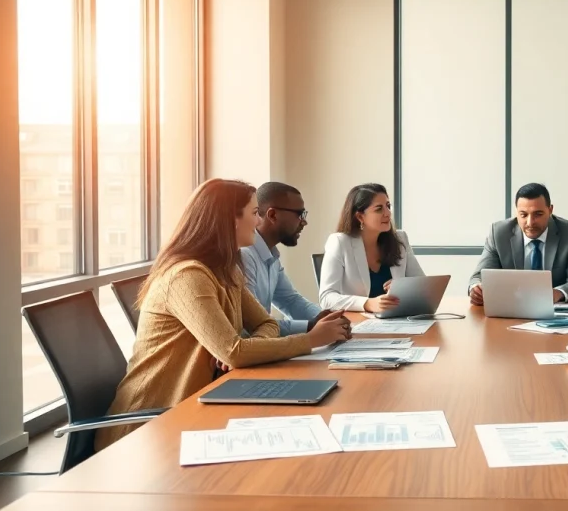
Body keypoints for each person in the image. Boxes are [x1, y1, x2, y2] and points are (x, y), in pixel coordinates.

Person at [96, 179, 351, 451]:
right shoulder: (187, 276)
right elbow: (233, 352)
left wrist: (250, 345)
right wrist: (311, 339)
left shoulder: (227, 270)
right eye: (254, 213)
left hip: (198, 405)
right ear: (231, 219)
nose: (258, 221)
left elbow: (262, 324)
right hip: (147, 428)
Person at [241, 182, 337, 336]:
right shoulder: (245, 255)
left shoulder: (271, 254)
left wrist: (329, 317)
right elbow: (252, 324)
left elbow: (290, 301)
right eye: (299, 214)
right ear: (272, 215)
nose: (304, 222)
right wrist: (310, 326)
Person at [468, 183, 568, 305]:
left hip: (554, 313)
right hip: (510, 308)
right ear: (516, 212)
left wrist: (556, 293)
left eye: (538, 214)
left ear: (550, 210)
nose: (530, 222)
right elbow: (478, 276)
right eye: (523, 215)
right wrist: (476, 289)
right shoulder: (499, 233)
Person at [319, 183, 424, 313]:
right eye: (379, 209)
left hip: (398, 320)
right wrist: (367, 303)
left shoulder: (400, 238)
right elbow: (326, 298)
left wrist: (405, 287)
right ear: (360, 216)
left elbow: (423, 285)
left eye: (388, 206)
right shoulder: (340, 242)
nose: (387, 213)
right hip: (357, 325)